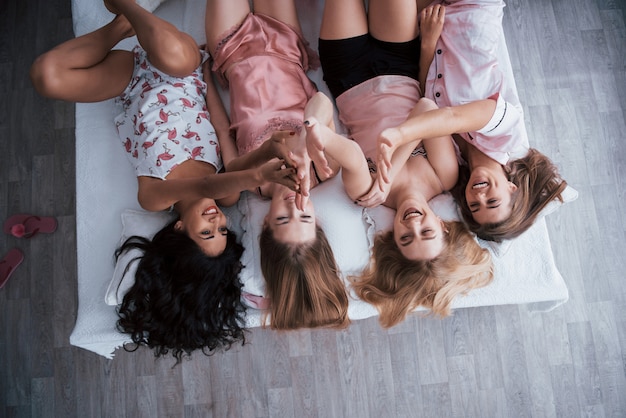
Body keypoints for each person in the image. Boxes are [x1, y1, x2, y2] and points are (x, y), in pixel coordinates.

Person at [29, 0, 299, 361]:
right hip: (181, 68)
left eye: (206, 233)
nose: (217, 222)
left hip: (131, 83)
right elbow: (221, 128)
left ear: (178, 232)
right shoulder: (229, 196)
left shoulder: (154, 197)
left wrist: (253, 175)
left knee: (46, 76)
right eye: (222, 232)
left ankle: (122, 25)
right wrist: (206, 74)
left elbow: (204, 187)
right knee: (177, 57)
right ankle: (125, 5)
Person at [306, 0, 493, 328]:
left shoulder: (367, 195)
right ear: (444, 225)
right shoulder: (444, 177)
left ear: (393, 238)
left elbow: (347, 150)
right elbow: (423, 108)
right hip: (401, 62)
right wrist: (390, 165)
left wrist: (318, 134)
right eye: (427, 232)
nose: (414, 225)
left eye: (406, 238)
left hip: (347, 74)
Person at [205, 0, 350, 330]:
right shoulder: (324, 169)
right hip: (285, 46)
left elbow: (220, 126)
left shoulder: (249, 181)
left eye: (283, 218)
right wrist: (305, 142)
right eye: (305, 215)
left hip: (232, 51)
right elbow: (322, 103)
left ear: (266, 225)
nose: (291, 204)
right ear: (318, 221)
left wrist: (206, 78)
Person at [379, 0, 567, 242]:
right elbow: (451, 117)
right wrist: (400, 135)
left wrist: (427, 42)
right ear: (512, 189)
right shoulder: (507, 134)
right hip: (472, 8)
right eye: (492, 201)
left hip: (432, 21)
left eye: (476, 207)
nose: (479, 197)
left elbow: (427, 98)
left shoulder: (454, 160)